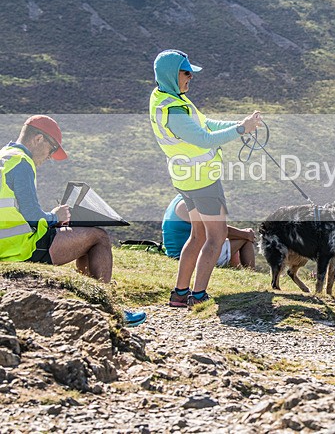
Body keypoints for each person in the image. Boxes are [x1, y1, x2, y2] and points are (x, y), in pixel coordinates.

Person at [0, 115, 146, 326]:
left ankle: (91, 307)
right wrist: (55, 217)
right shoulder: (22, 163)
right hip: (19, 248)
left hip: (6, 243)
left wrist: (51, 218)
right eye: (52, 149)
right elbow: (31, 216)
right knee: (99, 237)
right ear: (38, 139)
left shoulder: (5, 157)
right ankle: (109, 311)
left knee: (84, 235)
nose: (50, 157)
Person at [149, 50, 260, 308]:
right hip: (203, 182)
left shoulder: (164, 98)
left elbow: (205, 124)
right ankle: (198, 295)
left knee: (197, 235)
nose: (190, 78)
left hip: (185, 180)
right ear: (171, 74)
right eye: (186, 73)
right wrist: (242, 129)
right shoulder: (174, 109)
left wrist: (238, 124)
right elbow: (204, 139)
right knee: (216, 236)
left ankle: (179, 293)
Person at [162, 194, 256, 269]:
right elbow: (217, 229)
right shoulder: (187, 206)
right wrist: (246, 234)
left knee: (239, 236)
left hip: (176, 253)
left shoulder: (178, 200)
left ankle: (237, 269)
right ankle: (251, 274)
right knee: (245, 239)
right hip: (188, 256)